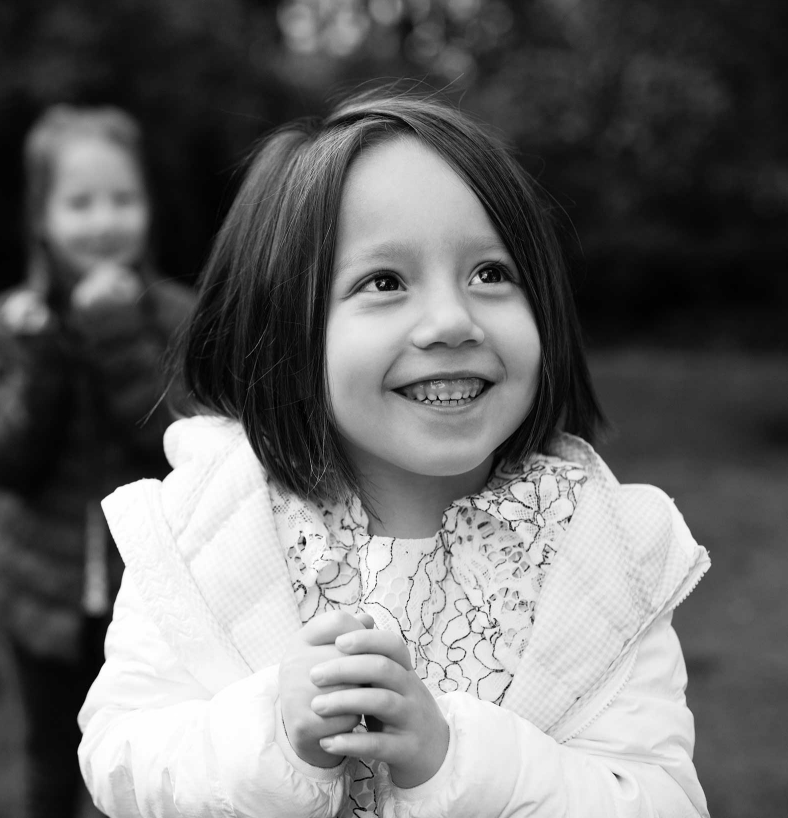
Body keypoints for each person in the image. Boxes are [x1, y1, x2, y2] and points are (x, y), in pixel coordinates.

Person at [77, 90, 711, 818]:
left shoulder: (602, 552)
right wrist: (274, 733)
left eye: (490, 274)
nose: (451, 321)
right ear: (284, 330)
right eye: (385, 282)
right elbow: (121, 758)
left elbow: (661, 798)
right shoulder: (204, 530)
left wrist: (456, 761)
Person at [0, 104, 193, 818]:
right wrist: (40, 367)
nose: (104, 221)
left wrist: (118, 336)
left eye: (123, 199)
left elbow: (189, 448)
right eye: (81, 202)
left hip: (156, 603)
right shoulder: (13, 324)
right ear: (43, 216)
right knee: (53, 765)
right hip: (43, 599)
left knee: (150, 776)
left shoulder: (180, 316)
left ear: (148, 208)